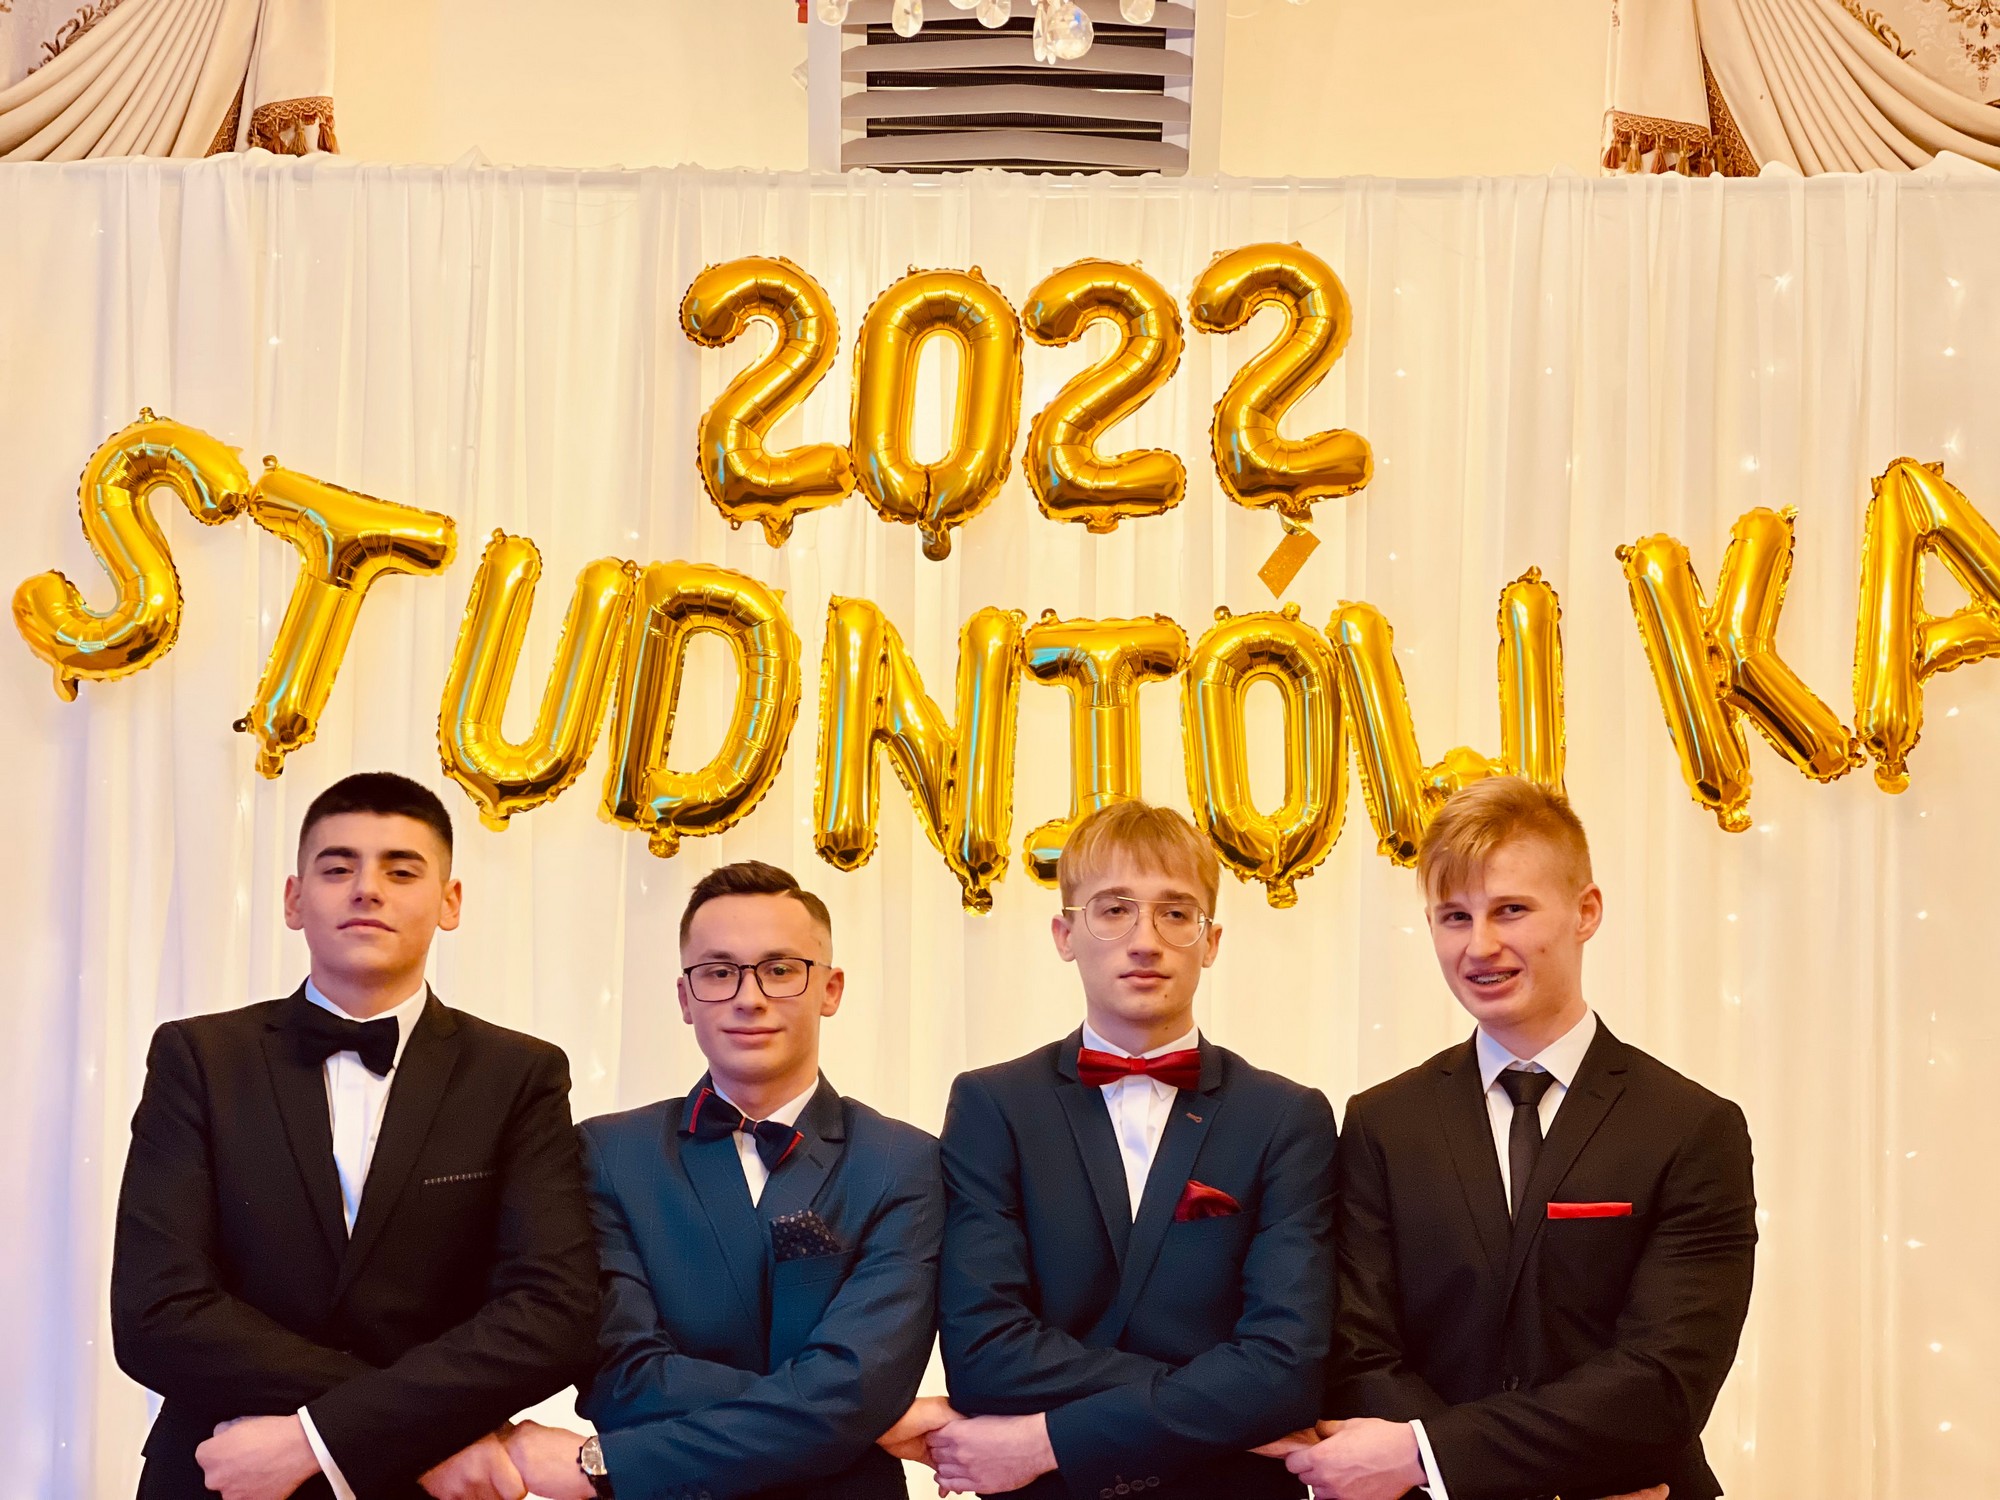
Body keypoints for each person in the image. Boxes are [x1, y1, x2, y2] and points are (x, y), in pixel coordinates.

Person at [111, 771, 600, 1500]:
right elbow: (156, 1313)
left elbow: (553, 1311)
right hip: (223, 1468)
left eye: (401, 871)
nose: (367, 889)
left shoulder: (520, 1074)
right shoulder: (199, 1057)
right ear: (293, 899)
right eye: (338, 868)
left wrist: (323, 1436)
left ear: (450, 902)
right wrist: (413, 1429)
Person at [1292, 776, 1757, 1500]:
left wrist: (1428, 1456)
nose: (1480, 946)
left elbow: (1664, 1381)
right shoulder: (1382, 1122)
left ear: (1585, 911)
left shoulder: (1692, 1127)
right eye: (1454, 916)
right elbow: (1358, 1353)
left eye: (1510, 909)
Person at [931, 799, 1339, 1500]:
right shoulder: (993, 1105)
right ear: (1065, 934)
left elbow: (1286, 1367)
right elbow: (983, 1356)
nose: (1145, 940)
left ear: (1211, 941)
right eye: (1114, 910)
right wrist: (1226, 1398)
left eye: (1175, 913)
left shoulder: (1286, 1117)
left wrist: (1050, 1437)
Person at [505, 860, 948, 1500]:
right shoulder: (608, 1153)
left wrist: (607, 1465)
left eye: (780, 970)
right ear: (685, 998)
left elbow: (860, 1385)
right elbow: (623, 1377)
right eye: (718, 972)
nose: (749, 997)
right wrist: (843, 1417)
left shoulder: (903, 1160)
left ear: (830, 989)